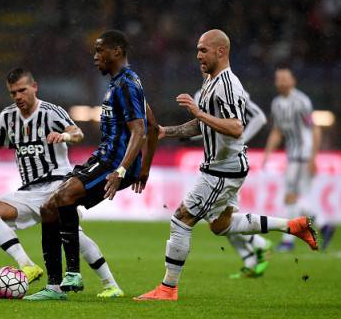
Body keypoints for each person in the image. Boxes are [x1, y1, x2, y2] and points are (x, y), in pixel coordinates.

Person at [135, 29, 318, 302]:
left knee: (181, 219)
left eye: (203, 50)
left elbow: (235, 127)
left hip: (221, 168)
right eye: (197, 50)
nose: (198, 55)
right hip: (228, 166)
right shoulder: (211, 82)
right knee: (221, 225)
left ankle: (167, 288)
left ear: (221, 51)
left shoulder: (227, 85)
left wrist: (198, 111)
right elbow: (201, 124)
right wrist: (167, 131)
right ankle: (292, 226)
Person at [0, 68, 124, 298]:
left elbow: (77, 134)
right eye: (13, 93)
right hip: (28, 191)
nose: (18, 96)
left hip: (59, 186)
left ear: (34, 87)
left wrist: (64, 136)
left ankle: (110, 285)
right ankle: (27, 265)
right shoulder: (7, 117)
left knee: (74, 236)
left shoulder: (51, 112)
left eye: (22, 90)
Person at [24, 30, 159, 301]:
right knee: (48, 208)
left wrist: (124, 170)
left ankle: (72, 273)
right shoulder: (121, 83)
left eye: (100, 51)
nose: (95, 57)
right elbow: (154, 126)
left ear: (117, 52)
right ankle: (53, 288)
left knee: (64, 196)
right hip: (104, 159)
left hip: (113, 163)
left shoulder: (126, 85)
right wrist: (144, 169)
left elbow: (140, 131)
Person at [196, 78, 272, 278]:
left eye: (204, 51)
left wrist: (240, 142)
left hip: (228, 166)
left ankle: (257, 245)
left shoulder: (231, 90)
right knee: (217, 217)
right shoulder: (201, 94)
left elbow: (259, 117)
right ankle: (252, 256)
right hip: (213, 164)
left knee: (207, 211)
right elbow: (206, 130)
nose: (200, 59)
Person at [262, 68, 335, 251]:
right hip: (292, 156)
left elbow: (315, 129)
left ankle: (289, 241)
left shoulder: (301, 101)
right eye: (279, 79)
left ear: (293, 81)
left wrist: (313, 157)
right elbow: (277, 131)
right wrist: (267, 153)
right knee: (294, 198)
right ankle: (323, 224)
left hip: (303, 155)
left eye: (285, 78)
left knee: (291, 197)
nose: (281, 82)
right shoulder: (277, 103)